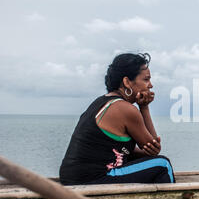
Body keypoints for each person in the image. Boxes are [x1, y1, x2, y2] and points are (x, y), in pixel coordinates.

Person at [59, 52, 175, 185]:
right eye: (146, 79)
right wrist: (144, 107)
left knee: (132, 160)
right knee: (162, 164)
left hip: (72, 178)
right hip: (93, 178)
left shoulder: (102, 102)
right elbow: (154, 149)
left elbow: (137, 152)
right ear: (127, 82)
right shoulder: (125, 109)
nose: (150, 85)